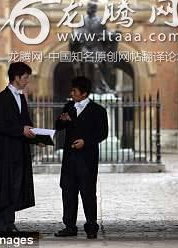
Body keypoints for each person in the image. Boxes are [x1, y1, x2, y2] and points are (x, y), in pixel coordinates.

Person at [54, 76, 108, 239]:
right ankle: (69, 226)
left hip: (87, 160)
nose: (71, 93)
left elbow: (102, 133)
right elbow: (58, 125)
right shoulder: (69, 106)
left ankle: (91, 226)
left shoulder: (98, 111)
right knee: (68, 192)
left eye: (74, 91)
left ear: (84, 93)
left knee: (88, 193)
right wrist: (63, 120)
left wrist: (85, 141)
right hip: (70, 159)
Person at [0, 61, 37, 234]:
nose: (27, 81)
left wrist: (34, 133)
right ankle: (1, 226)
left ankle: (10, 222)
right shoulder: (1, 99)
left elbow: (24, 121)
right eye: (25, 78)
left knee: (14, 187)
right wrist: (21, 130)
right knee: (3, 186)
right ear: (16, 78)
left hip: (18, 152)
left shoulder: (21, 97)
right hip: (4, 153)